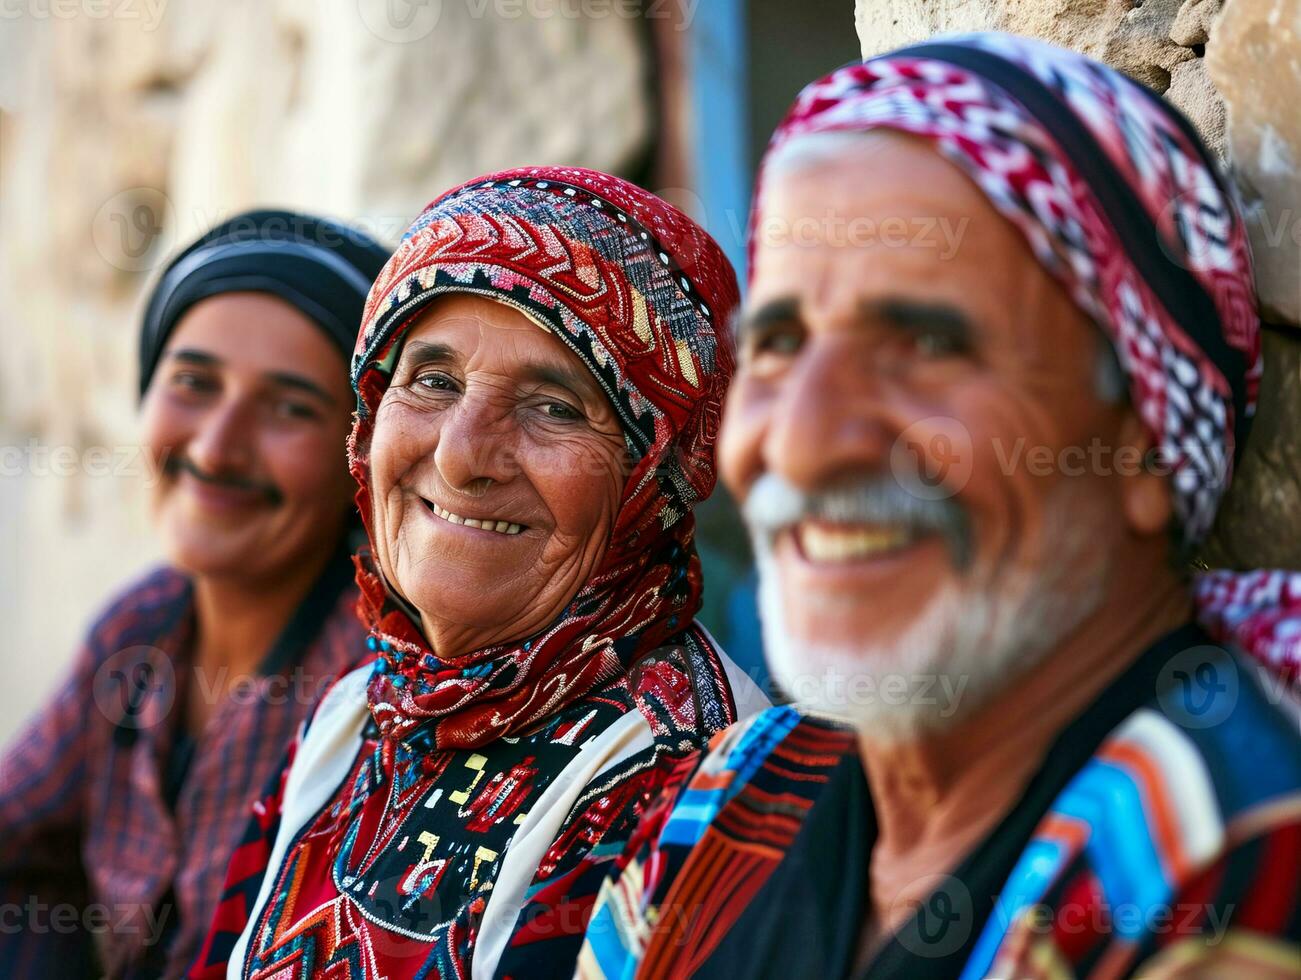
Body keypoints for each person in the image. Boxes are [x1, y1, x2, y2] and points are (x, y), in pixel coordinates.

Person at [578, 34, 1301, 979]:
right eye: (780, 341)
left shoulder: (1225, 856)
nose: (800, 438)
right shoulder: (730, 801)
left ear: (1140, 438)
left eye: (925, 341)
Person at [188, 167, 767, 980]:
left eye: (556, 406)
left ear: (653, 477)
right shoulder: (359, 713)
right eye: (432, 381)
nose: (461, 458)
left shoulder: (696, 786)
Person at [0, 210, 390, 978]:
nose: (214, 448)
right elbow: (19, 850)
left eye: (290, 408)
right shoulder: (142, 628)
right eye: (192, 383)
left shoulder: (374, 691)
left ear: (362, 455)